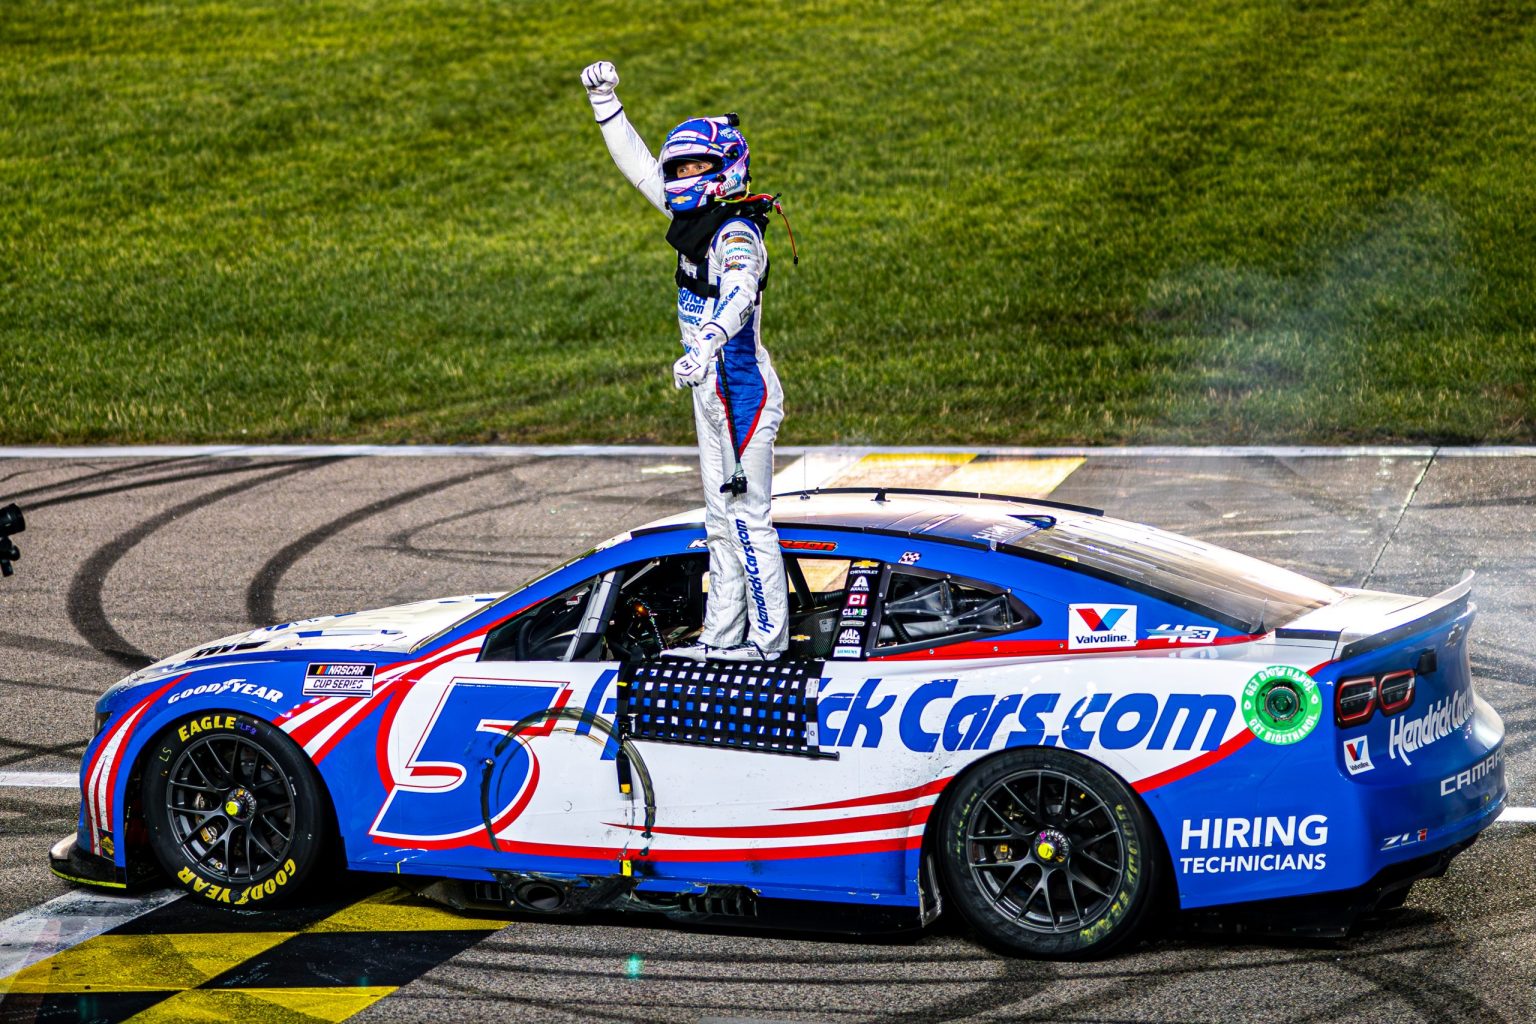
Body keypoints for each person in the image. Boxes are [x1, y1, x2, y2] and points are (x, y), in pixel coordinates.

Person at [580, 60, 789, 662]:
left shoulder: (736, 235)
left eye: (696, 166)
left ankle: (767, 646)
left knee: (749, 521)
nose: (679, 176)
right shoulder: (693, 220)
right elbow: (637, 166)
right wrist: (605, 104)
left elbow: (740, 292)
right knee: (719, 520)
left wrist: (705, 343)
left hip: (741, 395)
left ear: (726, 172)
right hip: (712, 392)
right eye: (680, 167)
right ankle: (722, 638)